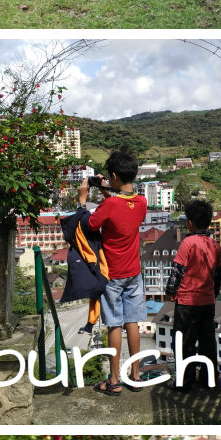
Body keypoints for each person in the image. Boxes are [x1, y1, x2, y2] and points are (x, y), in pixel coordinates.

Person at [76, 149, 148, 396]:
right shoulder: (142, 202)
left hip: (112, 275)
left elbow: (89, 224)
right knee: (133, 323)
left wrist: (83, 200)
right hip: (134, 272)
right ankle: (136, 375)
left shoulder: (109, 205)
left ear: (114, 176)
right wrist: (108, 192)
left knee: (114, 325)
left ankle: (115, 379)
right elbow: (122, 209)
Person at [164, 198, 221, 387]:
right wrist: (212, 294)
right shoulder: (215, 245)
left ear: (189, 223)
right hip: (207, 302)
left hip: (187, 303)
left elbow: (177, 272)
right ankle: (209, 378)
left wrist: (170, 292)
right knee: (207, 342)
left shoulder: (187, 243)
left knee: (184, 343)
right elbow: (218, 274)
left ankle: (185, 380)